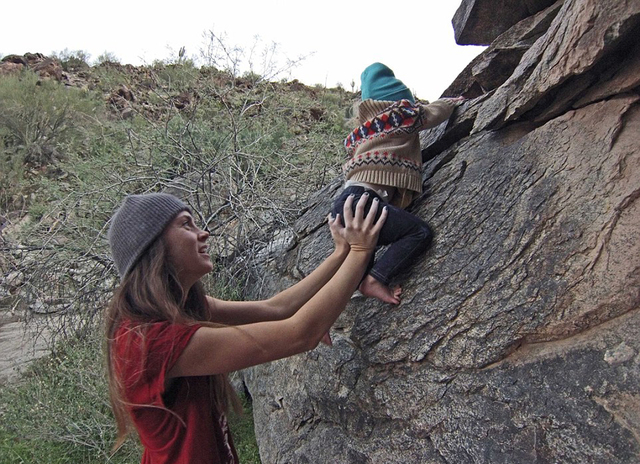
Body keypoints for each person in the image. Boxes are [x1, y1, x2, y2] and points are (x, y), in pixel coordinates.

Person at [105, 191, 386, 464]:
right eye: (185, 224)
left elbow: (274, 309)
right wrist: (360, 252)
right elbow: (300, 334)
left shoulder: (182, 306)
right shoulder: (148, 341)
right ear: (154, 249)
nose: (203, 234)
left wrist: (340, 254)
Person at [331, 62, 464, 304]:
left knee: (355, 267)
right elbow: (431, 114)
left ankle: (324, 316)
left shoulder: (364, 130)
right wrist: (450, 102)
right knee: (418, 232)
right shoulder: (401, 116)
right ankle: (375, 280)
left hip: (344, 203)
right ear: (400, 100)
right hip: (364, 201)